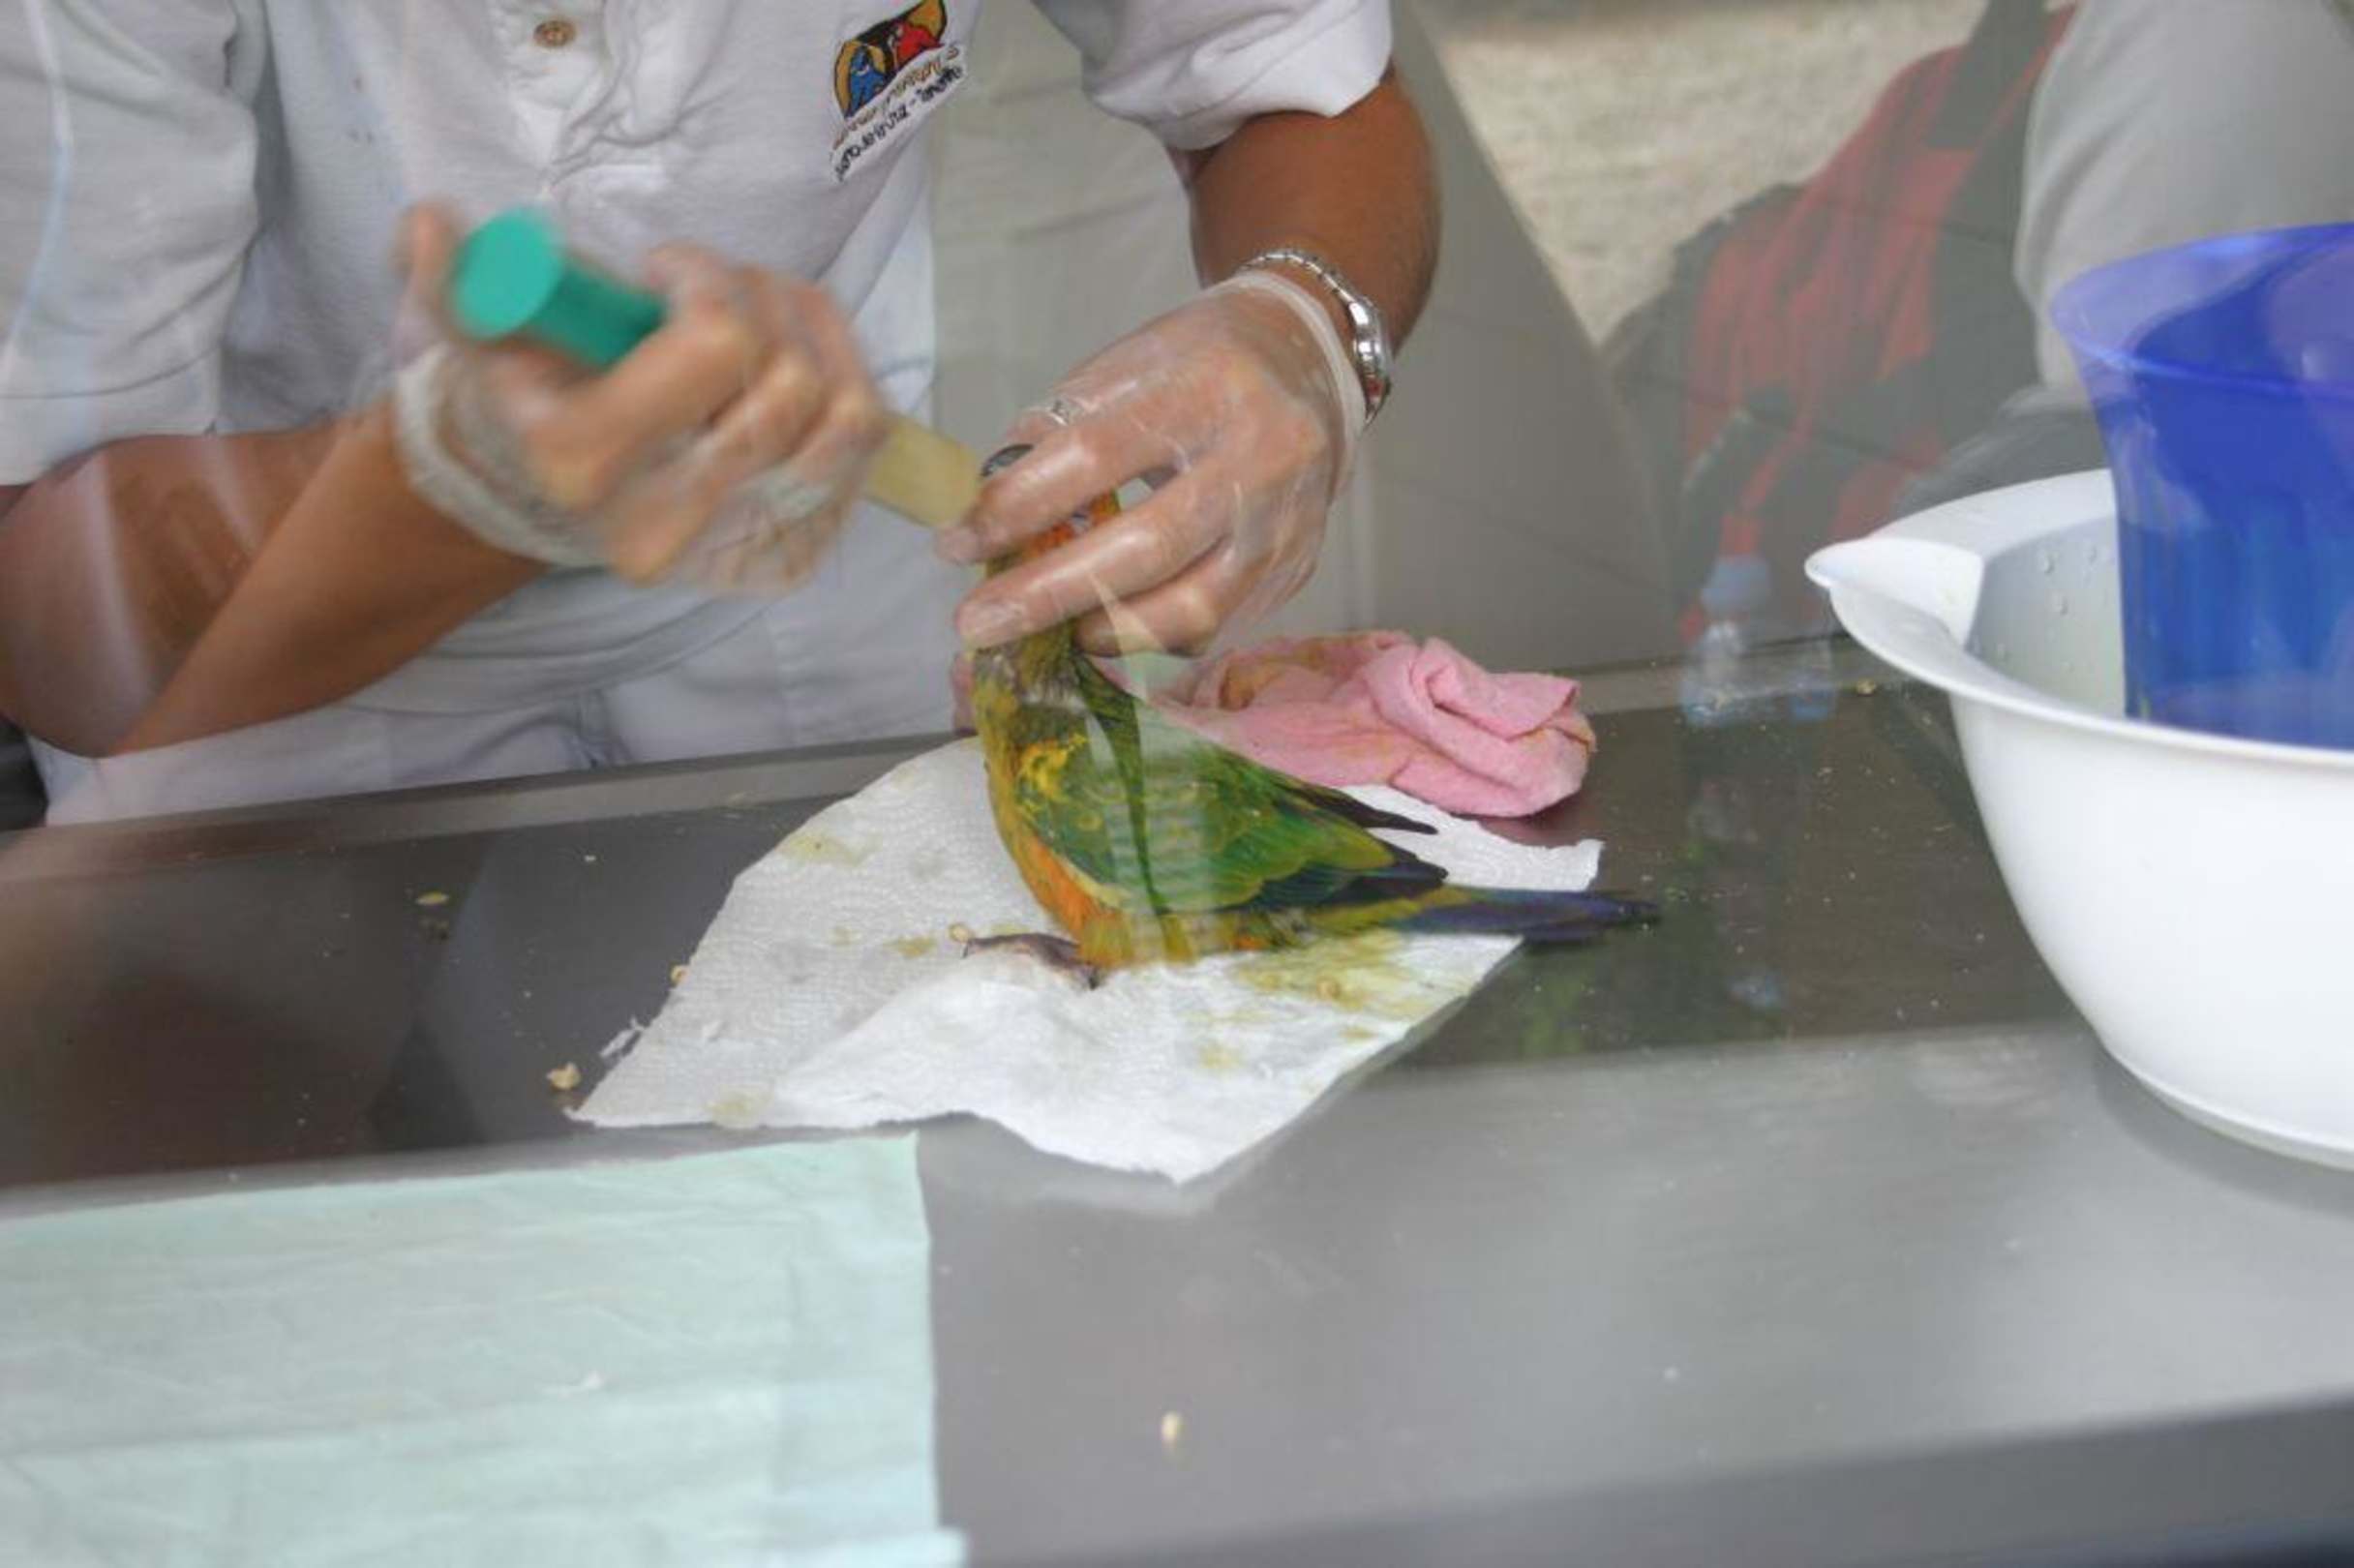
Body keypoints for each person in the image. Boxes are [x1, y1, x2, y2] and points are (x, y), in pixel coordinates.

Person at [0, 2, 1434, 824]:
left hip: (824, 599)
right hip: (257, 688)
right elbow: (47, 628)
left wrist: (1304, 329)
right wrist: (439, 495)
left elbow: (1284, 77)